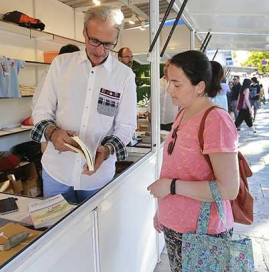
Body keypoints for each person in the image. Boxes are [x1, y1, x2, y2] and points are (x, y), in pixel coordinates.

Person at [31, 6, 137, 204]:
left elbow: (127, 126)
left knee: (97, 232)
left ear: (116, 41)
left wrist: (106, 150)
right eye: (94, 41)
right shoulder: (61, 65)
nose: (100, 50)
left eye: (108, 44)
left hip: (98, 178)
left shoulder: (123, 76)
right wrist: (53, 133)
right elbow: (41, 110)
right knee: (54, 232)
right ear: (84, 33)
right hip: (57, 171)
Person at [147, 50, 239, 272]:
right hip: (177, 227)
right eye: (169, 82)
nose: (169, 89)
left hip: (202, 233)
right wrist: (164, 211)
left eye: (177, 84)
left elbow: (229, 188)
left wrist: (171, 187)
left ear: (199, 86)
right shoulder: (183, 113)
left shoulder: (215, 120)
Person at [30, 44, 80, 152]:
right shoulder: (50, 74)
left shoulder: (80, 75)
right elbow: (38, 107)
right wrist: (47, 136)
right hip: (53, 138)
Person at [147, 59, 178, 131]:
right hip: (157, 121)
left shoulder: (177, 83)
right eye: (164, 65)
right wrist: (149, 114)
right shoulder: (157, 82)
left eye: (168, 65)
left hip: (172, 121)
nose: (165, 68)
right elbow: (151, 100)